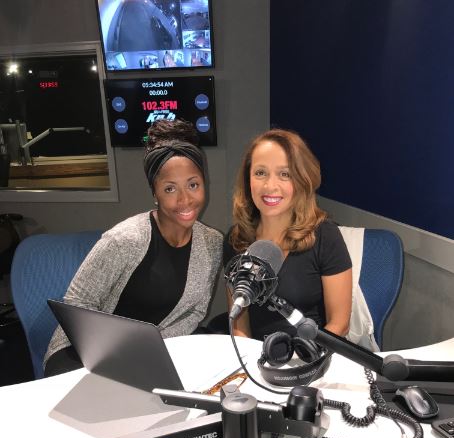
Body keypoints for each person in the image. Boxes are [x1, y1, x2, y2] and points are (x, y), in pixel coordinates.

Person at [44, 119, 223, 376]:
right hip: (82, 351)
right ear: (155, 193)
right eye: (170, 189)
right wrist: (118, 353)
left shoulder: (212, 243)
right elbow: (78, 303)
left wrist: (148, 349)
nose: (185, 199)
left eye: (193, 185)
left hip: (150, 354)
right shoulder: (124, 240)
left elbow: (196, 311)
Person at [223, 127, 352, 340]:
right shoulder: (236, 239)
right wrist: (246, 358)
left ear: (302, 180)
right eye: (260, 173)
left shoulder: (325, 235)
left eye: (285, 174)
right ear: (248, 179)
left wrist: (303, 355)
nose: (270, 186)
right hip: (256, 355)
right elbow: (239, 325)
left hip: (312, 351)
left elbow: (339, 324)